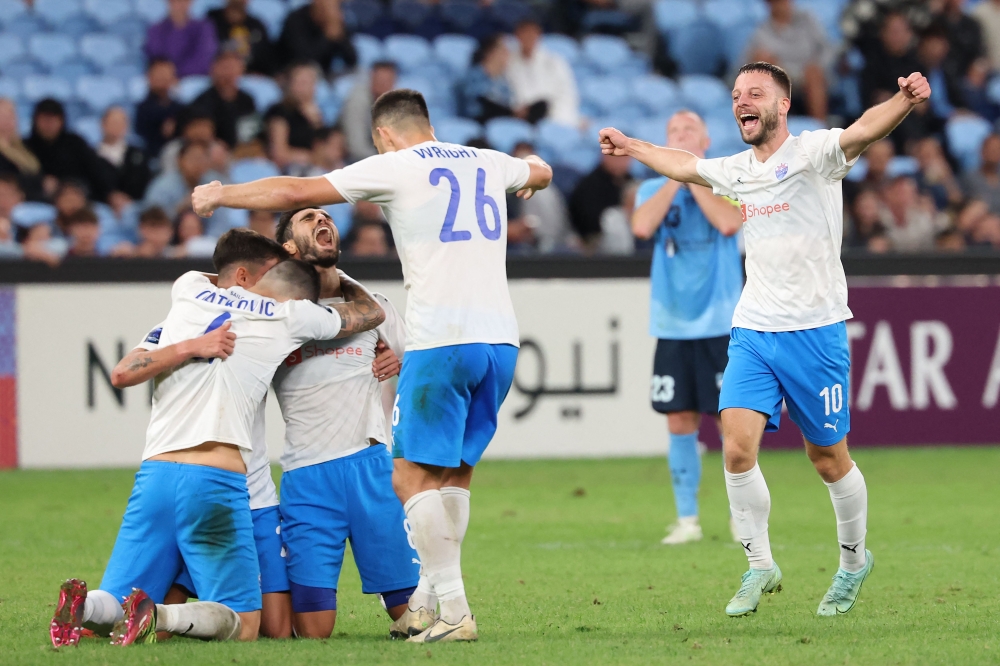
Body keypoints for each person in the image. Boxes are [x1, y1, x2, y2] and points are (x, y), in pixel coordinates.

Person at [191, 88, 553, 642]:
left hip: (442, 340)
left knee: (407, 477)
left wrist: (222, 193)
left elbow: (292, 188)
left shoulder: (398, 167)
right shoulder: (486, 159)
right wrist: (528, 176)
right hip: (501, 343)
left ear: (383, 136)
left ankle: (454, 612)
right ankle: (431, 601)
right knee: (453, 476)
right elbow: (543, 169)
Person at [598, 62, 931, 617]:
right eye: (735, 95)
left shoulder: (815, 154)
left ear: (783, 104)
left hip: (816, 330)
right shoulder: (737, 170)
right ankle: (759, 565)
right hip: (753, 326)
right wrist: (631, 145)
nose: (741, 102)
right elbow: (684, 165)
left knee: (827, 457)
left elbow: (864, 131)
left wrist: (905, 102)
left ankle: (853, 563)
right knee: (735, 447)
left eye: (754, 93)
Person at [49, 233, 385, 648]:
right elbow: (369, 315)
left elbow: (121, 374)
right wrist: (337, 276)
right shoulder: (290, 314)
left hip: (155, 474)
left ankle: (83, 609)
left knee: (114, 600)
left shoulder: (189, 289)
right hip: (215, 478)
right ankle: (157, 615)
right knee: (244, 626)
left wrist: (193, 343)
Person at [268, 208, 424, 639]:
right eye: (307, 216)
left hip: (370, 467)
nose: (323, 219)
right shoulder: (276, 318)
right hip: (306, 477)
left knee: (412, 617)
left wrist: (399, 363)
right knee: (313, 630)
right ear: (287, 247)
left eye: (325, 215)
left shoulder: (375, 306)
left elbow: (419, 365)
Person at [630, 110, 744, 545]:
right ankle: (687, 520)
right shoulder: (650, 187)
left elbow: (729, 222)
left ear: (707, 140)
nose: (681, 136)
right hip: (673, 322)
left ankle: (741, 517)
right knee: (678, 419)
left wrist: (693, 176)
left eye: (689, 131)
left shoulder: (729, 180)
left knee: (730, 421)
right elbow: (641, 226)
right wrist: (674, 176)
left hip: (722, 321)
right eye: (673, 132)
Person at [743, 0, 832, 121]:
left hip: (811, 73)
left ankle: (821, 128)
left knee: (814, 74)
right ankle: (772, 126)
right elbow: (746, 65)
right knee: (762, 61)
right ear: (769, 5)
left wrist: (818, 66)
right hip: (782, 75)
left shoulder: (807, 20)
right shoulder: (761, 33)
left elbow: (826, 49)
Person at [24, 99, 114, 202]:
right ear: (35, 121)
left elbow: (95, 170)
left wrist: (110, 193)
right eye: (44, 120)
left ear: (61, 121)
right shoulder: (25, 147)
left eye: (53, 120)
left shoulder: (75, 143)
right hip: (36, 199)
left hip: (77, 197)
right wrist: (39, 182)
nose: (49, 125)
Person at [144, 142, 231, 236]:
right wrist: (180, 208)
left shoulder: (213, 184)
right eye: (193, 159)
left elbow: (220, 223)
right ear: (180, 161)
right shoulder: (163, 186)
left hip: (204, 244)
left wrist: (203, 243)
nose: (197, 164)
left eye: (202, 159)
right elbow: (152, 222)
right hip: (167, 242)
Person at [506, 17, 580, 127]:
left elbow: (566, 94)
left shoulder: (554, 62)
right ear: (517, 36)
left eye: (531, 34)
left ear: (538, 35)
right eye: (524, 34)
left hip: (551, 116)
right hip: (520, 116)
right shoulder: (508, 63)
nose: (528, 38)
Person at [191, 49, 258, 150]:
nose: (228, 73)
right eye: (224, 67)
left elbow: (252, 131)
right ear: (213, 69)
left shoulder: (247, 100)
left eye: (233, 67)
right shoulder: (202, 101)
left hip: (244, 152)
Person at [265, 63, 325, 169]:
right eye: (300, 83)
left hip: (311, 167)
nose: (304, 88)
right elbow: (279, 153)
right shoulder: (280, 112)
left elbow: (322, 151)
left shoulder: (315, 114)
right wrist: (310, 157)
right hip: (287, 168)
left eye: (309, 83)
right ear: (290, 85)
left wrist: (316, 123)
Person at [568, 153, 632, 251]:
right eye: (616, 157)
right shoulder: (588, 186)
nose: (621, 161)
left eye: (625, 157)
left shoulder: (630, 181)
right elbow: (586, 222)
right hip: (594, 244)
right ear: (604, 156)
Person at [277, 0, 357, 75]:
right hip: (289, 74)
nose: (332, 11)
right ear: (317, 3)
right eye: (328, 6)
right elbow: (303, 60)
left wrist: (340, 37)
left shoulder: (334, 22)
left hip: (324, 77)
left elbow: (352, 60)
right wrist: (326, 38)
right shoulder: (295, 21)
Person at [144, 0, 218, 78]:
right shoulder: (156, 30)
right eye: (175, 1)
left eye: (183, 1)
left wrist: (176, 74)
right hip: (164, 79)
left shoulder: (204, 28)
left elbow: (203, 58)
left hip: (195, 78)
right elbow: (155, 57)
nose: (179, 4)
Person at [340, 62, 397, 161]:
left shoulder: (397, 102)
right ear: (371, 79)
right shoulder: (357, 100)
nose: (384, 85)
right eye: (380, 80)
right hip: (352, 159)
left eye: (388, 81)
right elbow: (356, 146)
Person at [97, 107, 152, 206]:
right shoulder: (92, 155)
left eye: (121, 123)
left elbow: (145, 181)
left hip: (135, 205)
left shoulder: (138, 154)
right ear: (103, 124)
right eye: (113, 122)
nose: (116, 127)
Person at [207, 0, 275, 76]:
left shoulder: (257, 26)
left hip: (248, 77)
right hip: (214, 75)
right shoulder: (211, 20)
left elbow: (265, 58)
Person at [134, 59, 183, 160]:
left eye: (167, 73)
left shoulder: (180, 108)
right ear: (149, 77)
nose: (163, 78)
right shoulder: (142, 108)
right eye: (159, 73)